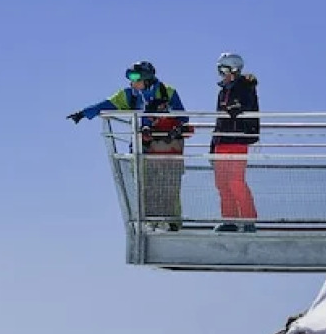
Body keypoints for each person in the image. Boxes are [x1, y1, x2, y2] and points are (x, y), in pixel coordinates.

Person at [69, 61, 190, 229]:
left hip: (167, 145)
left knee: (169, 184)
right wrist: (83, 113)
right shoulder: (130, 95)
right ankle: (150, 220)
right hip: (143, 146)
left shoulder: (167, 92)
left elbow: (183, 118)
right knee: (144, 183)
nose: (131, 82)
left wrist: (168, 119)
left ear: (146, 78)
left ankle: (173, 222)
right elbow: (106, 104)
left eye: (134, 78)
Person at [210, 52, 259, 231]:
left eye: (224, 70)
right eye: (219, 71)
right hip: (222, 141)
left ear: (234, 69)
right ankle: (229, 220)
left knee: (236, 181)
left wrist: (238, 107)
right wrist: (212, 145)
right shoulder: (223, 91)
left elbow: (249, 105)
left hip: (237, 139)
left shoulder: (245, 86)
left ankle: (248, 220)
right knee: (222, 183)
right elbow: (219, 119)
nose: (222, 75)